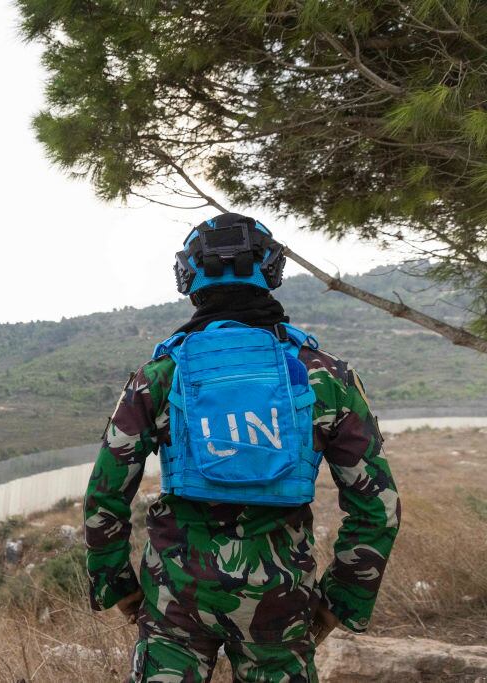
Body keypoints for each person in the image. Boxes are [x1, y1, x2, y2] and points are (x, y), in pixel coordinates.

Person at [84, 213, 400, 682]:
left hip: (175, 599)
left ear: (187, 279)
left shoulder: (160, 377)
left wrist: (120, 587)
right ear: (272, 274)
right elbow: (378, 509)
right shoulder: (326, 376)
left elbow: (105, 497)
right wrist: (338, 605)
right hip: (281, 599)